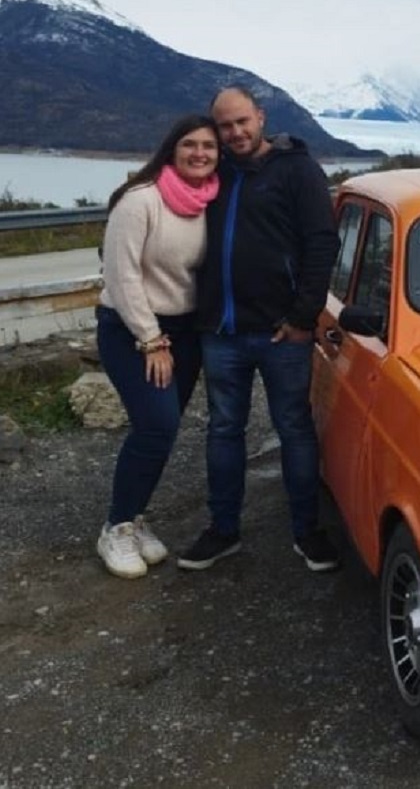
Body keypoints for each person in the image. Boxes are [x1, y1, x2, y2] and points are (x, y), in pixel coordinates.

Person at [178, 86, 342, 572]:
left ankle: (307, 532)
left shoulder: (298, 171)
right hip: (220, 331)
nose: (234, 133)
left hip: (281, 333)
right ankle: (223, 530)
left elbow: (322, 244)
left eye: (242, 122)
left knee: (293, 428)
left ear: (260, 117)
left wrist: (303, 318)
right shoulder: (214, 172)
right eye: (224, 126)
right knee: (223, 429)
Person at [95, 114, 221, 578]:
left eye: (209, 146)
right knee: (156, 424)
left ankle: (135, 515)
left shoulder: (210, 201)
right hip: (133, 330)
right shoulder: (140, 200)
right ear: (172, 148)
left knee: (163, 431)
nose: (199, 153)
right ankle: (116, 527)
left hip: (184, 331)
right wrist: (151, 340)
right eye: (190, 144)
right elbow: (121, 275)